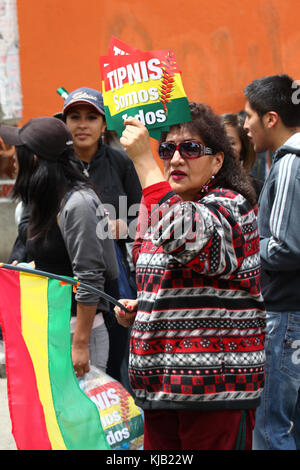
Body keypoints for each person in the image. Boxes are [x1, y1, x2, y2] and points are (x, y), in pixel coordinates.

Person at [114, 102, 266, 450]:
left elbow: (187, 235)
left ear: (217, 161)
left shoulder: (232, 206)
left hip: (212, 393)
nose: (176, 158)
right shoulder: (155, 209)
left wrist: (143, 160)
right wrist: (145, 307)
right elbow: (176, 278)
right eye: (166, 149)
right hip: (158, 392)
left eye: (191, 148)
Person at [0, 117, 119, 378]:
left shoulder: (77, 203)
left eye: (17, 152)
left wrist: (79, 344)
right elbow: (57, 262)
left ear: (32, 159)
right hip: (53, 329)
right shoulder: (46, 201)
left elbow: (91, 277)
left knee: (84, 418)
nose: (12, 160)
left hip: (78, 335)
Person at [62, 87, 142, 386]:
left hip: (113, 280)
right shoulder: (56, 165)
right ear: (65, 122)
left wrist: (123, 227)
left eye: (91, 117)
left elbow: (144, 218)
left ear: (104, 124)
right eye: (74, 117)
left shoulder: (121, 163)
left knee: (113, 364)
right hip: (66, 282)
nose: (82, 124)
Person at [243, 74, 300, 450]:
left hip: (283, 315)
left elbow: (284, 247)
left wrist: (243, 244)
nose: (244, 124)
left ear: (271, 118)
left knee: (269, 430)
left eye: (249, 116)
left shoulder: (290, 163)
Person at [221, 112, 263, 199]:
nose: (223, 147)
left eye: (231, 143)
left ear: (243, 151)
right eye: (219, 140)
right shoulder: (203, 185)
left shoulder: (257, 189)